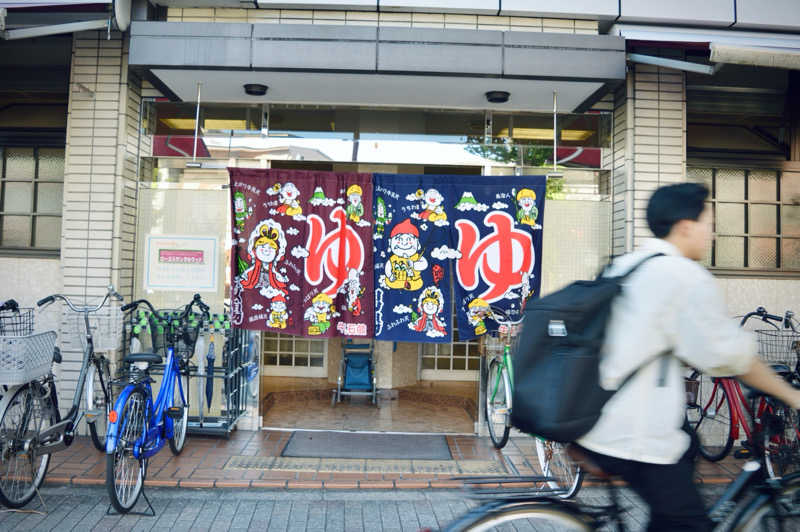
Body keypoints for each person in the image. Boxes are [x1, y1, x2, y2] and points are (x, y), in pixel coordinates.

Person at [574, 182, 800, 532]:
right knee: (689, 522)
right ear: (685, 226)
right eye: (708, 222)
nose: (712, 233)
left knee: (685, 453)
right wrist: (792, 396)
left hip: (591, 419)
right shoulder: (682, 275)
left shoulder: (627, 265)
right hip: (634, 435)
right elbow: (734, 357)